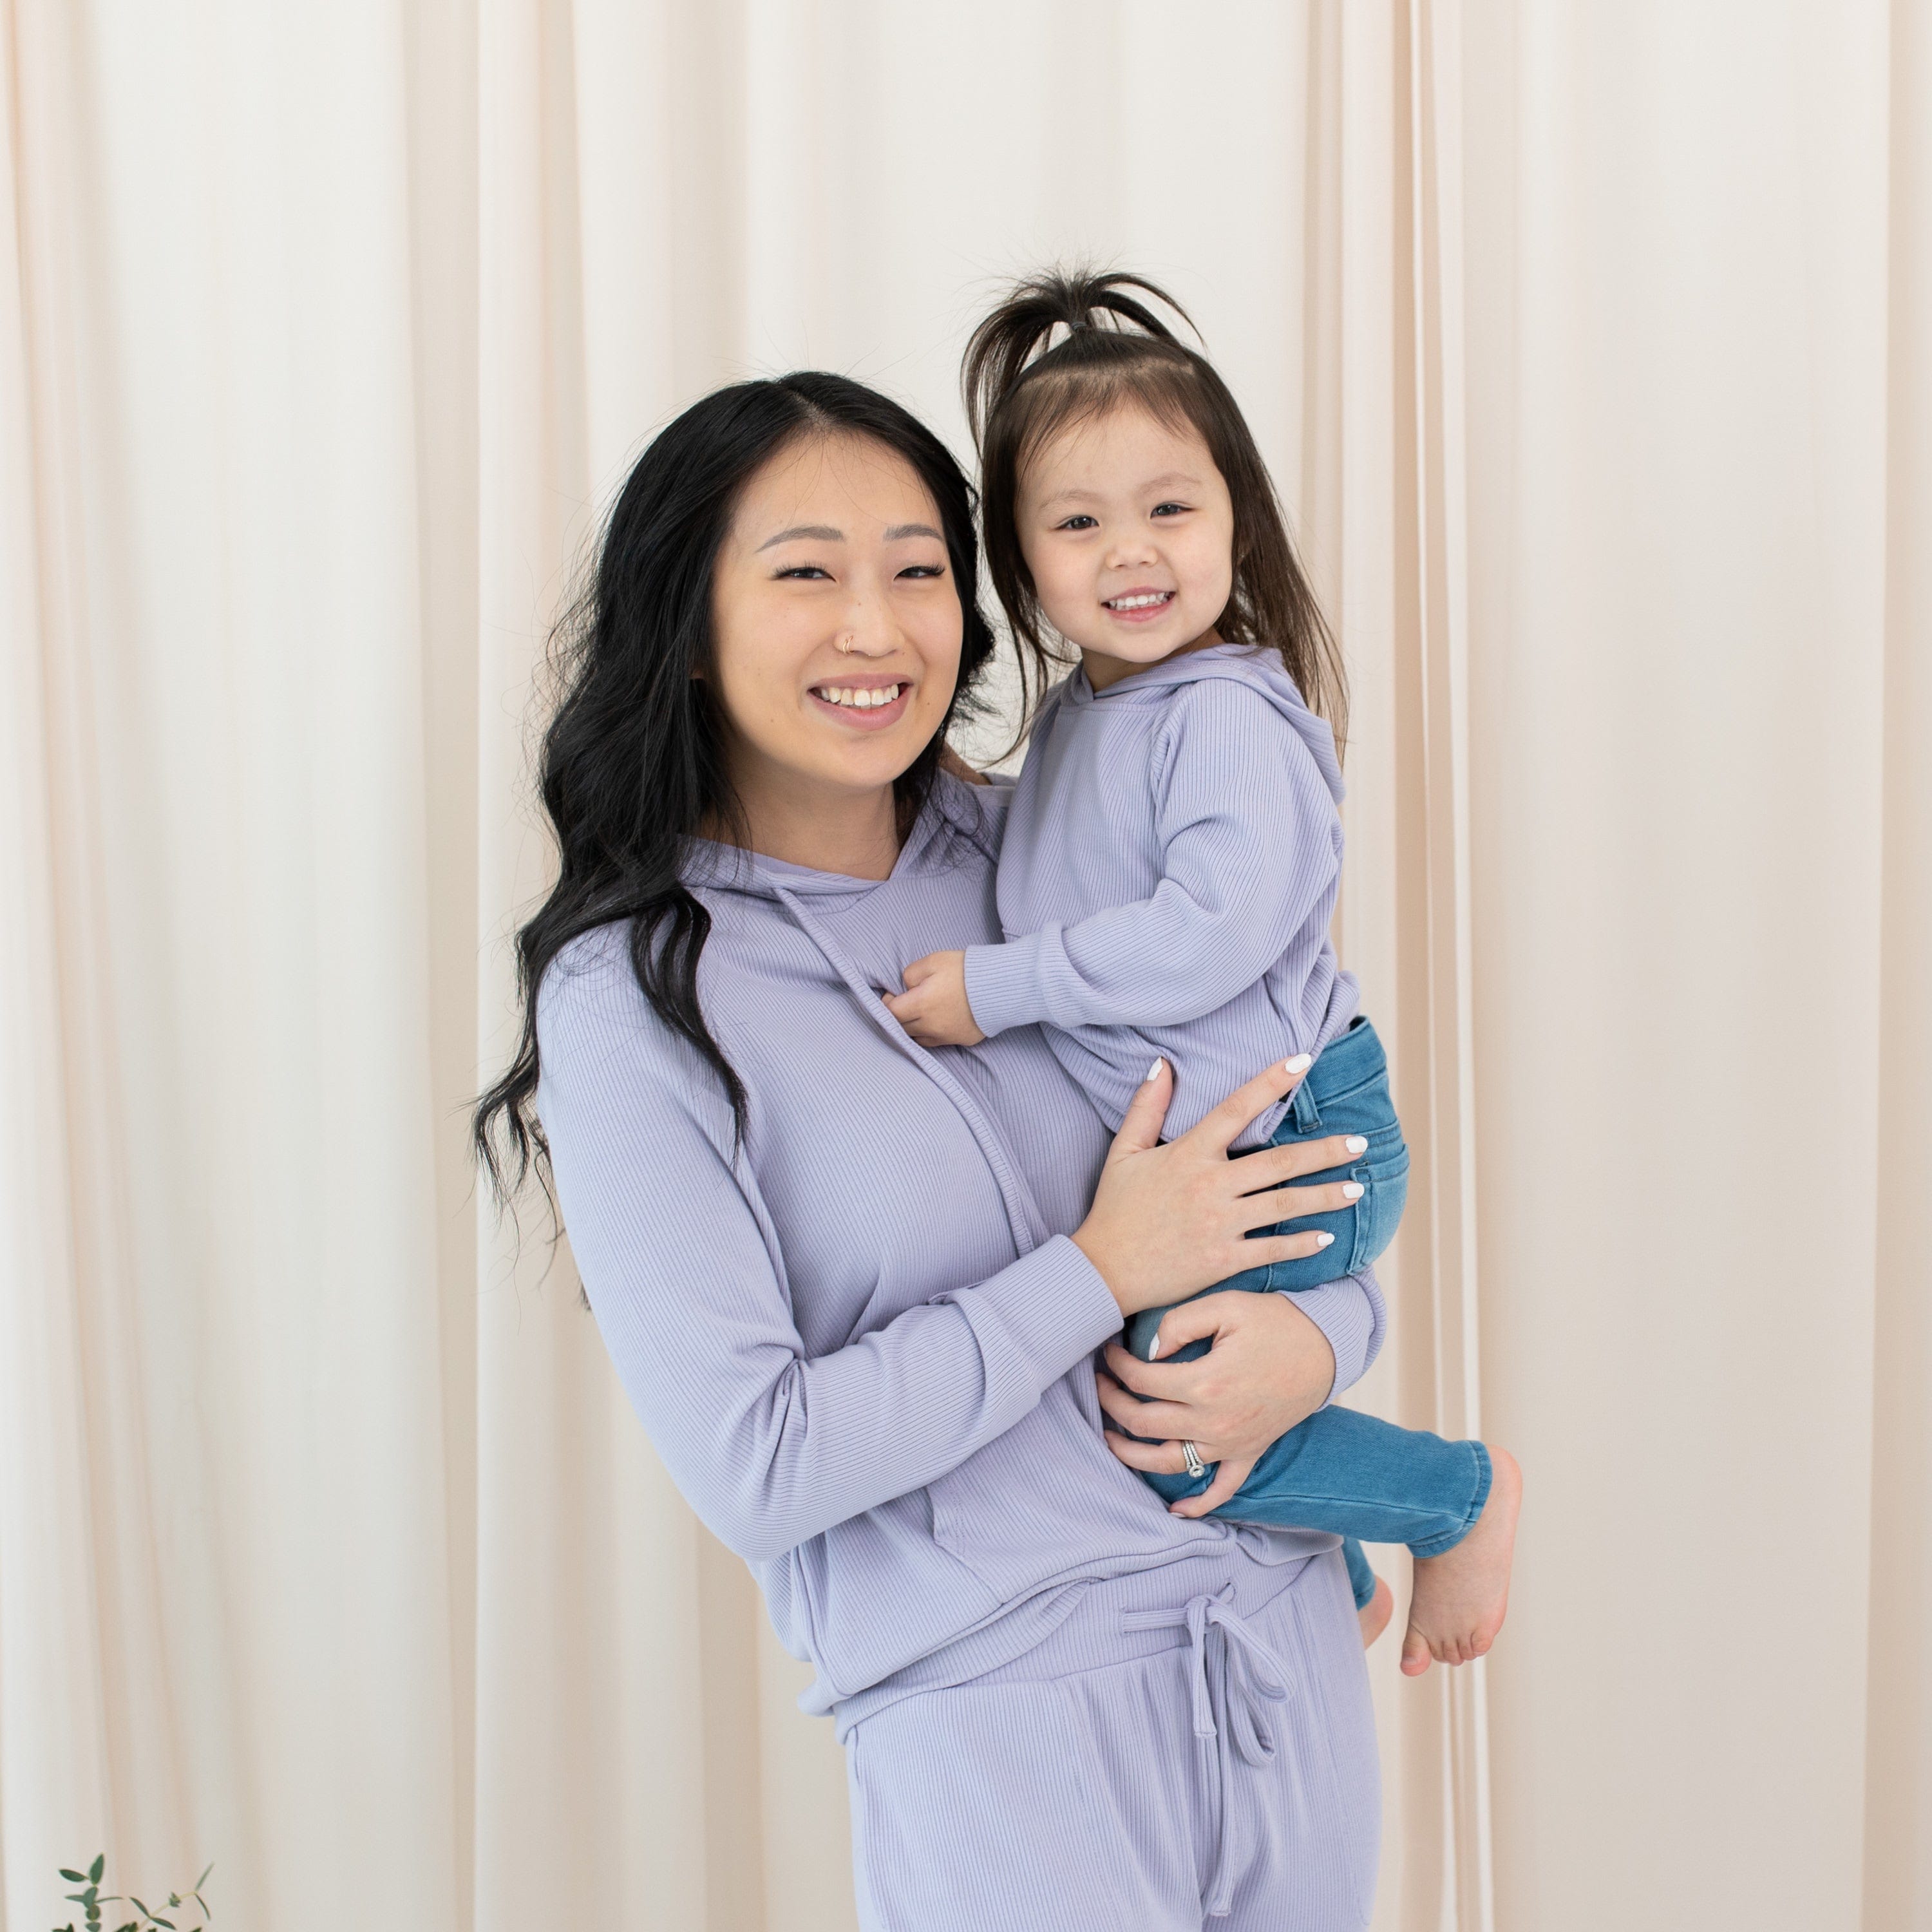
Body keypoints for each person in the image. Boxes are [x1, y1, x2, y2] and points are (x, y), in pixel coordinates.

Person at [475, 370, 1386, 1928]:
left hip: (1279, 1645)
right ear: (687, 626)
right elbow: (763, 1464)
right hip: (1004, 1714)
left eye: (916, 569)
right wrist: (1099, 1273)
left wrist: (1323, 1342)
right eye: (806, 572)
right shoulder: (637, 998)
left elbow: (1302, 1145)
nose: (877, 626)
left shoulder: (1055, 861)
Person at [884, 270, 1520, 1678]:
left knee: (1170, 1422)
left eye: (1172, 507)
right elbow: (1062, 861)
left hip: (1296, 1125)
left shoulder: (1225, 709)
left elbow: (1208, 928)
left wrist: (1002, 987)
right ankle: (1338, 1572)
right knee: (1174, 1401)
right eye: (1079, 521)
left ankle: (1451, 1500)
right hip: (1227, 1137)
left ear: (1238, 513)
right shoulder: (1087, 717)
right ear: (1022, 559)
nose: (1134, 552)